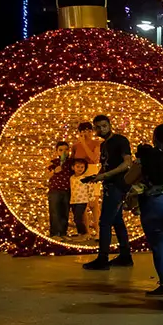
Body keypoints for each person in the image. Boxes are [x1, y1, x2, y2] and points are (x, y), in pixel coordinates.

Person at [126, 124, 163, 298]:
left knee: (160, 245)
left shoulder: (147, 157)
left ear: (155, 138)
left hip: (155, 205)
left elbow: (128, 179)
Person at [83, 115, 134, 270]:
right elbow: (106, 165)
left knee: (105, 222)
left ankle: (102, 259)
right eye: (98, 127)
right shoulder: (104, 144)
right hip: (109, 185)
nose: (101, 129)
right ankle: (125, 256)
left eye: (104, 126)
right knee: (117, 221)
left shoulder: (120, 140)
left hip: (117, 186)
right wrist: (97, 176)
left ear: (110, 125)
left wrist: (104, 175)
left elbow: (127, 163)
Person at [73, 122, 103, 232]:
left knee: (94, 203)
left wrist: (84, 144)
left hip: (92, 172)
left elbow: (94, 159)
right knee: (82, 204)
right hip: (80, 174)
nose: (87, 133)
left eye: (89, 130)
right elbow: (72, 161)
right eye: (84, 131)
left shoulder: (97, 143)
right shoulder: (75, 146)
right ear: (79, 132)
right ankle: (86, 232)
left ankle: (98, 231)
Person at [45, 142, 74, 238]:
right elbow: (47, 175)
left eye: (66, 149)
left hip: (67, 190)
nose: (63, 152)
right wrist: (54, 171)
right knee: (54, 212)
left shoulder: (71, 162)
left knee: (65, 212)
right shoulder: (54, 162)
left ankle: (63, 233)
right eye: (61, 150)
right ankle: (54, 234)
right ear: (57, 152)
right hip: (55, 190)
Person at [69, 160, 94, 236]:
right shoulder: (71, 178)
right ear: (73, 167)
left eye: (82, 167)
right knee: (76, 219)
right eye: (78, 167)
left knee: (78, 218)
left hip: (82, 201)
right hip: (73, 201)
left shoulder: (85, 178)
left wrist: (91, 199)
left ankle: (84, 233)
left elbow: (91, 188)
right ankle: (80, 233)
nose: (80, 169)